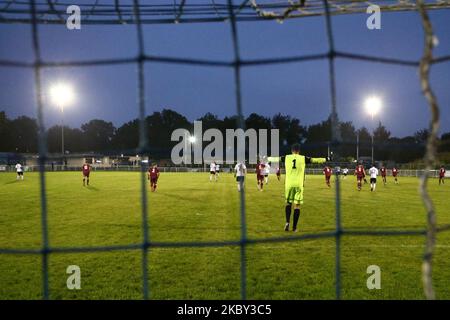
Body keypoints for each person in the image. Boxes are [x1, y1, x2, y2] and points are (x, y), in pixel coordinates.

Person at [268, 143, 331, 232]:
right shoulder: (303, 158)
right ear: (299, 151)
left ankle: (287, 223)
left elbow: (275, 158)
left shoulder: (286, 157)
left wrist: (267, 158)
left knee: (288, 203)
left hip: (289, 184)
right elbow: (315, 160)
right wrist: (327, 159)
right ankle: (294, 227)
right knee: (297, 206)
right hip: (299, 184)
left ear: (291, 150)